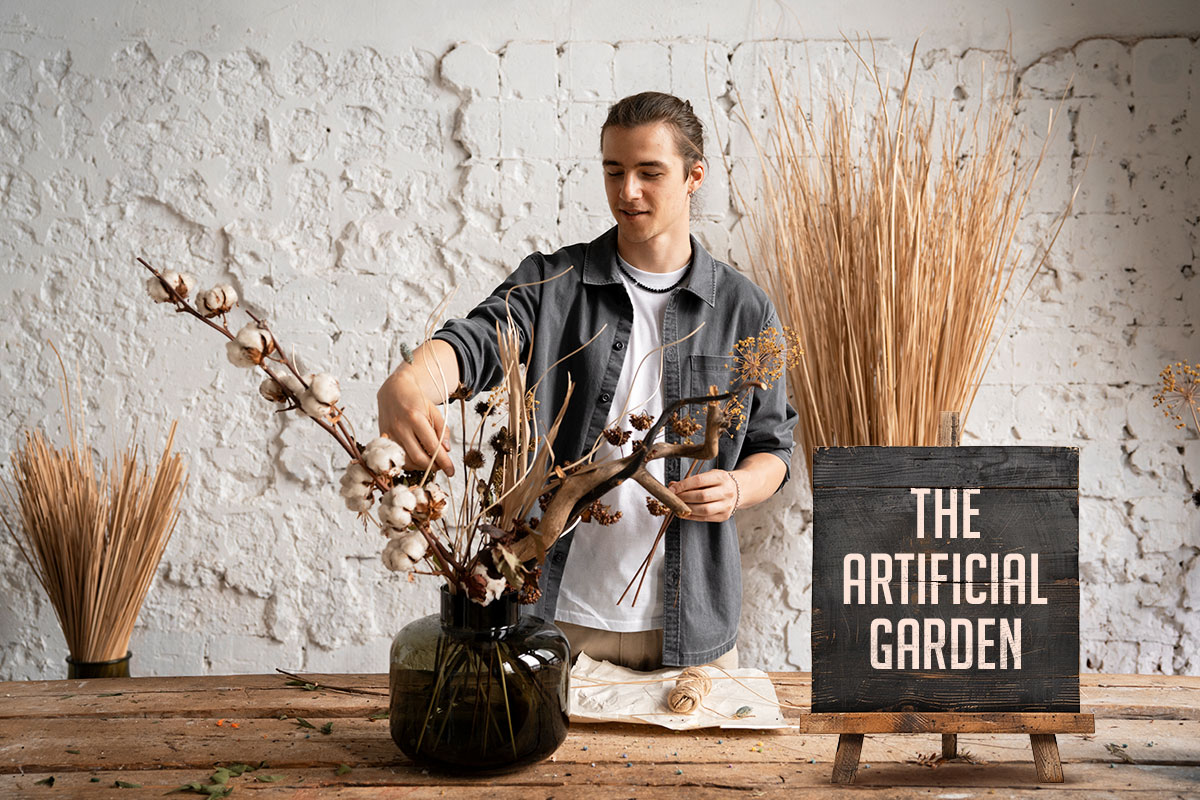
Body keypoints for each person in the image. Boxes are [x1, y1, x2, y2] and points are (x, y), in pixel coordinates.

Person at [377, 91, 796, 670]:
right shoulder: (555, 282)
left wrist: (737, 489)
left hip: (687, 624)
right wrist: (411, 380)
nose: (627, 192)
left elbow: (772, 447)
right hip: (552, 615)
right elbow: (479, 339)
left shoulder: (746, 311)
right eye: (613, 171)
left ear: (694, 175)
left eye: (650, 173)